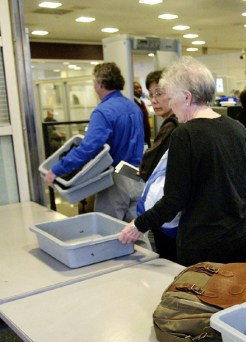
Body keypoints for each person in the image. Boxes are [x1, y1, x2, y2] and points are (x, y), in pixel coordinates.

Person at [119, 56, 246, 267]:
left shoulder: (185, 135)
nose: (171, 107)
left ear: (186, 97)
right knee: (243, 295)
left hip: (205, 242)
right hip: (243, 235)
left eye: (171, 99)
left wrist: (139, 224)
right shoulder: (236, 127)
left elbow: (174, 199)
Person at [45, 62, 145, 222]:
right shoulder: (133, 107)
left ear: (100, 84)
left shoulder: (103, 111)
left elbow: (88, 148)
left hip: (116, 178)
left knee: (109, 232)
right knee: (136, 233)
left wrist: (57, 169)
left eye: (94, 82)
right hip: (136, 174)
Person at [137, 70, 180, 262]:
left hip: (170, 209)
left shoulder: (173, 126)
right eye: (151, 94)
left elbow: (148, 167)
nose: (154, 100)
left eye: (159, 94)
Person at [133, 80, 152, 148]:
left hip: (147, 136)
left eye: (140, 87)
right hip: (140, 137)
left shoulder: (142, 103)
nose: (139, 89)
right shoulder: (133, 103)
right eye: (136, 88)